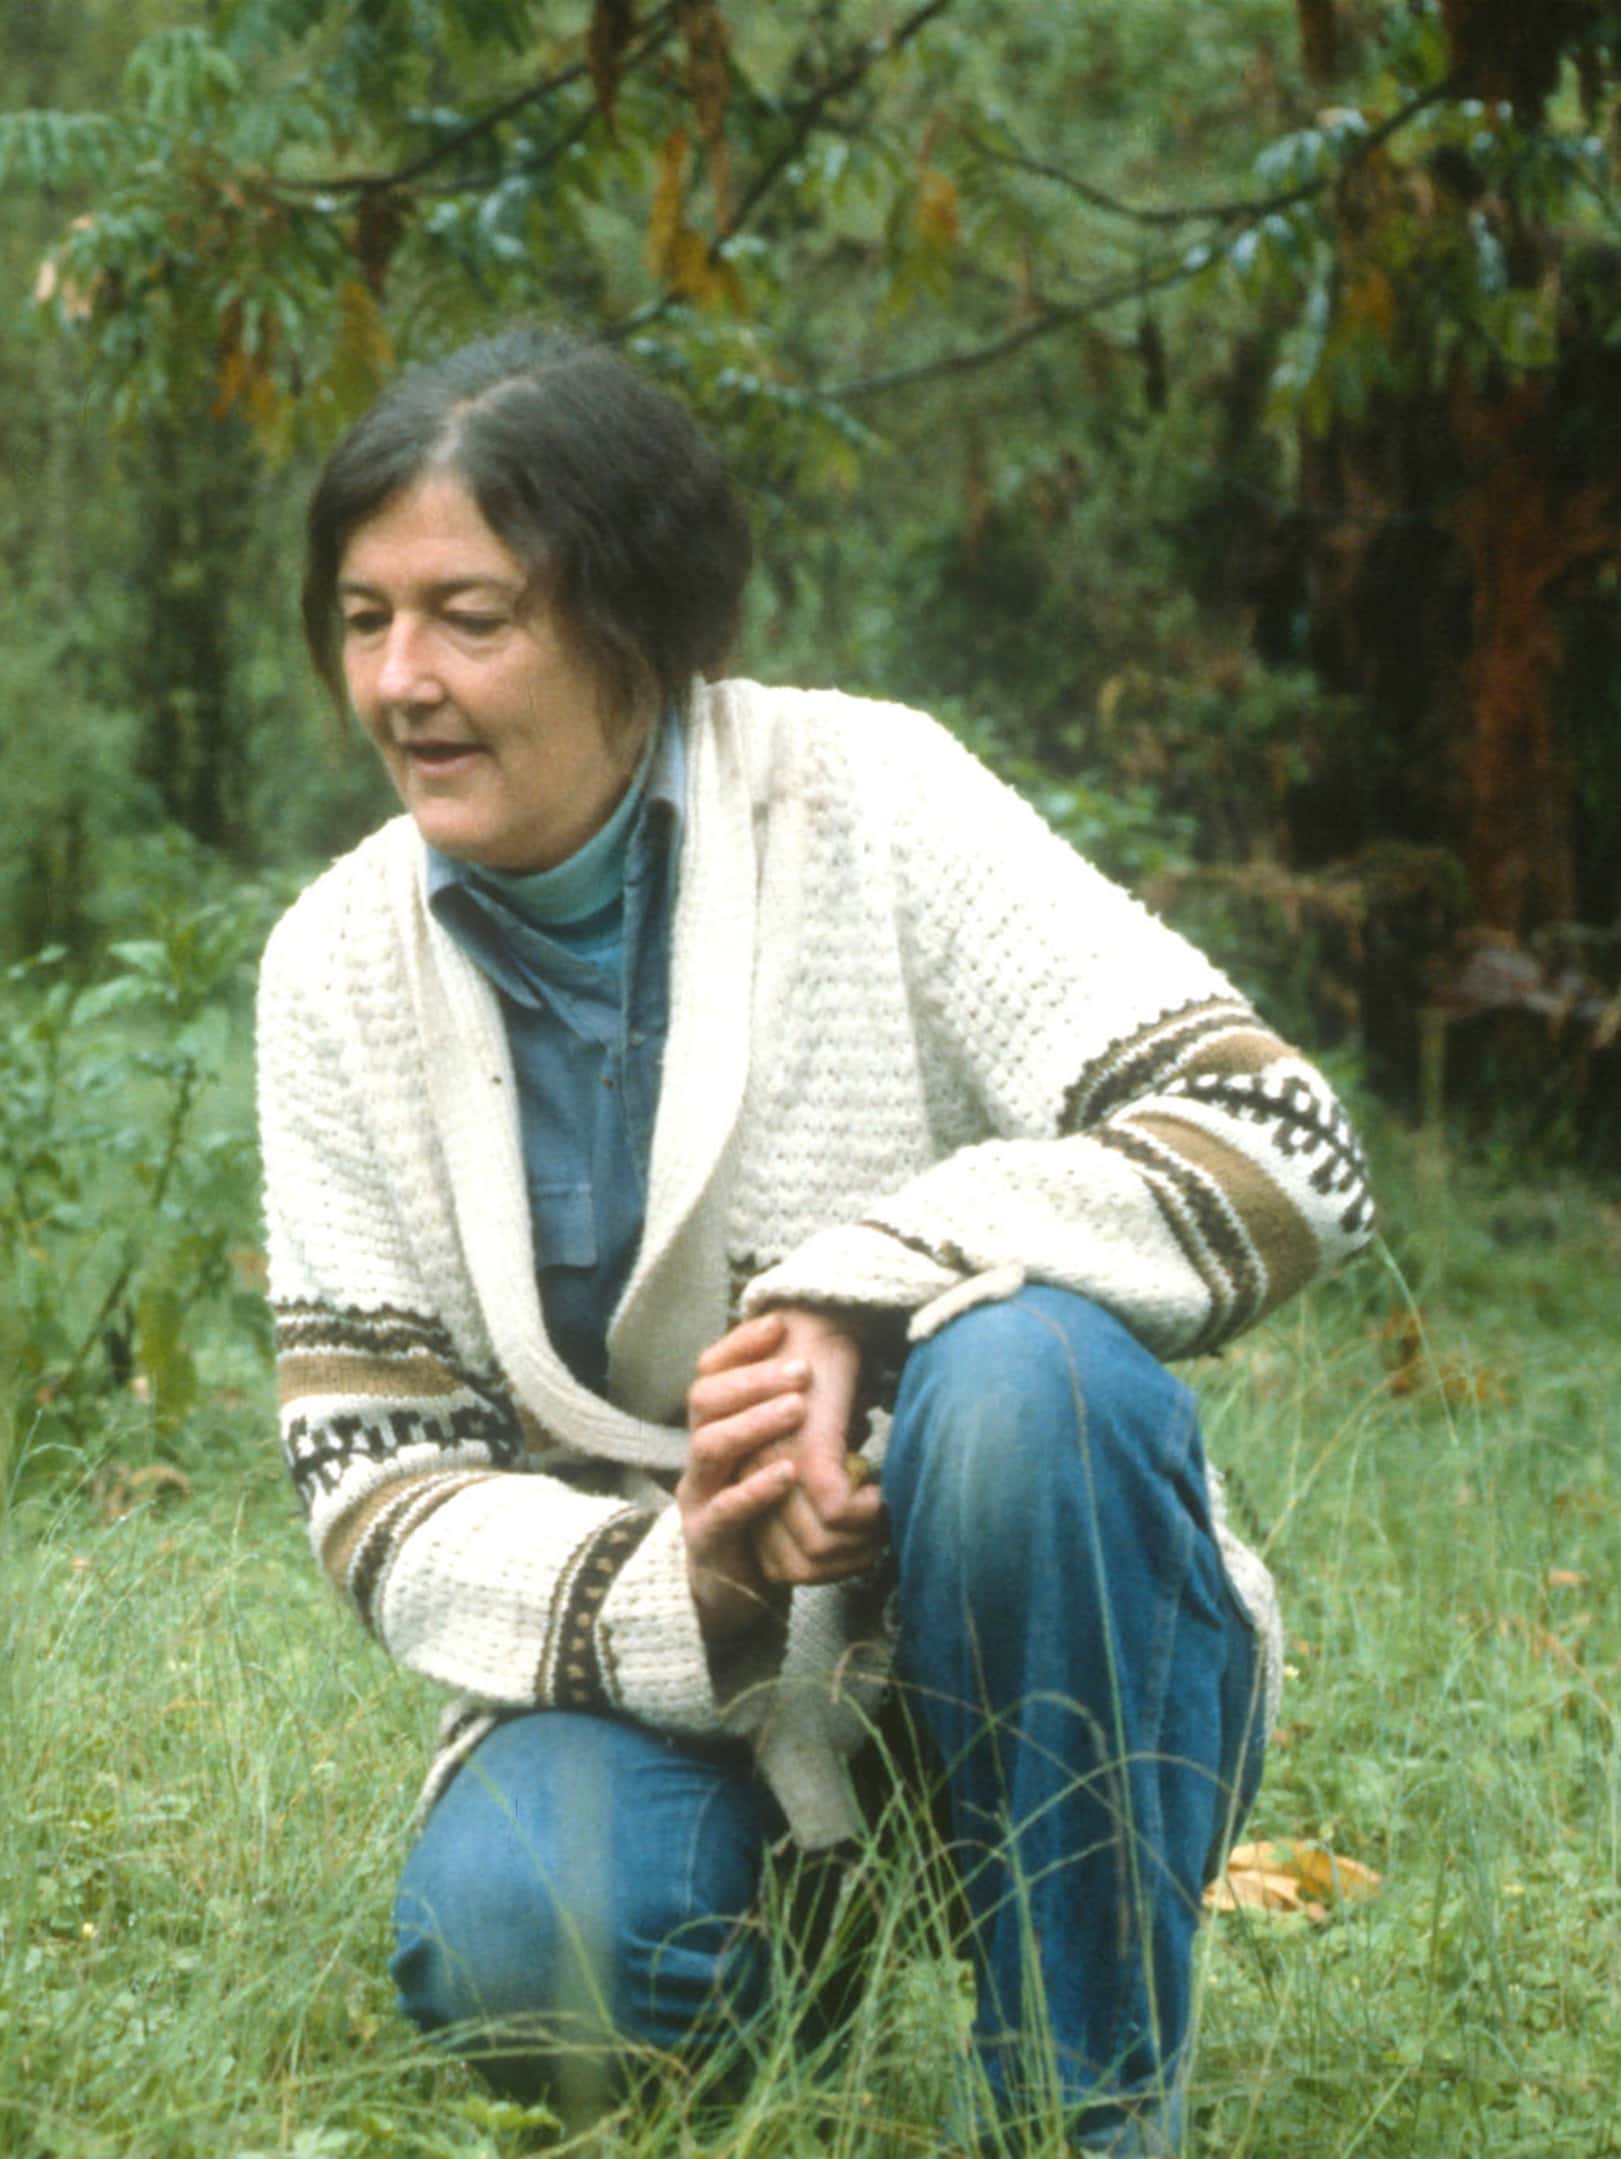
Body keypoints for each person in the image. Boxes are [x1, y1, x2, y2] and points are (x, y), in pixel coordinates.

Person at [252, 328, 1375, 2155]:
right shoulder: (332, 967)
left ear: (637, 623)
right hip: (675, 1666)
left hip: (1036, 1614)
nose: (405, 682)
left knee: (1026, 1373)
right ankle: (813, 1943)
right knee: (525, 1954)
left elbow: (1280, 1143)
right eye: (365, 619)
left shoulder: (872, 798)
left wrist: (864, 1288)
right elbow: (380, 1489)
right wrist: (706, 1572)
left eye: (473, 615)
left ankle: (1091, 2108)